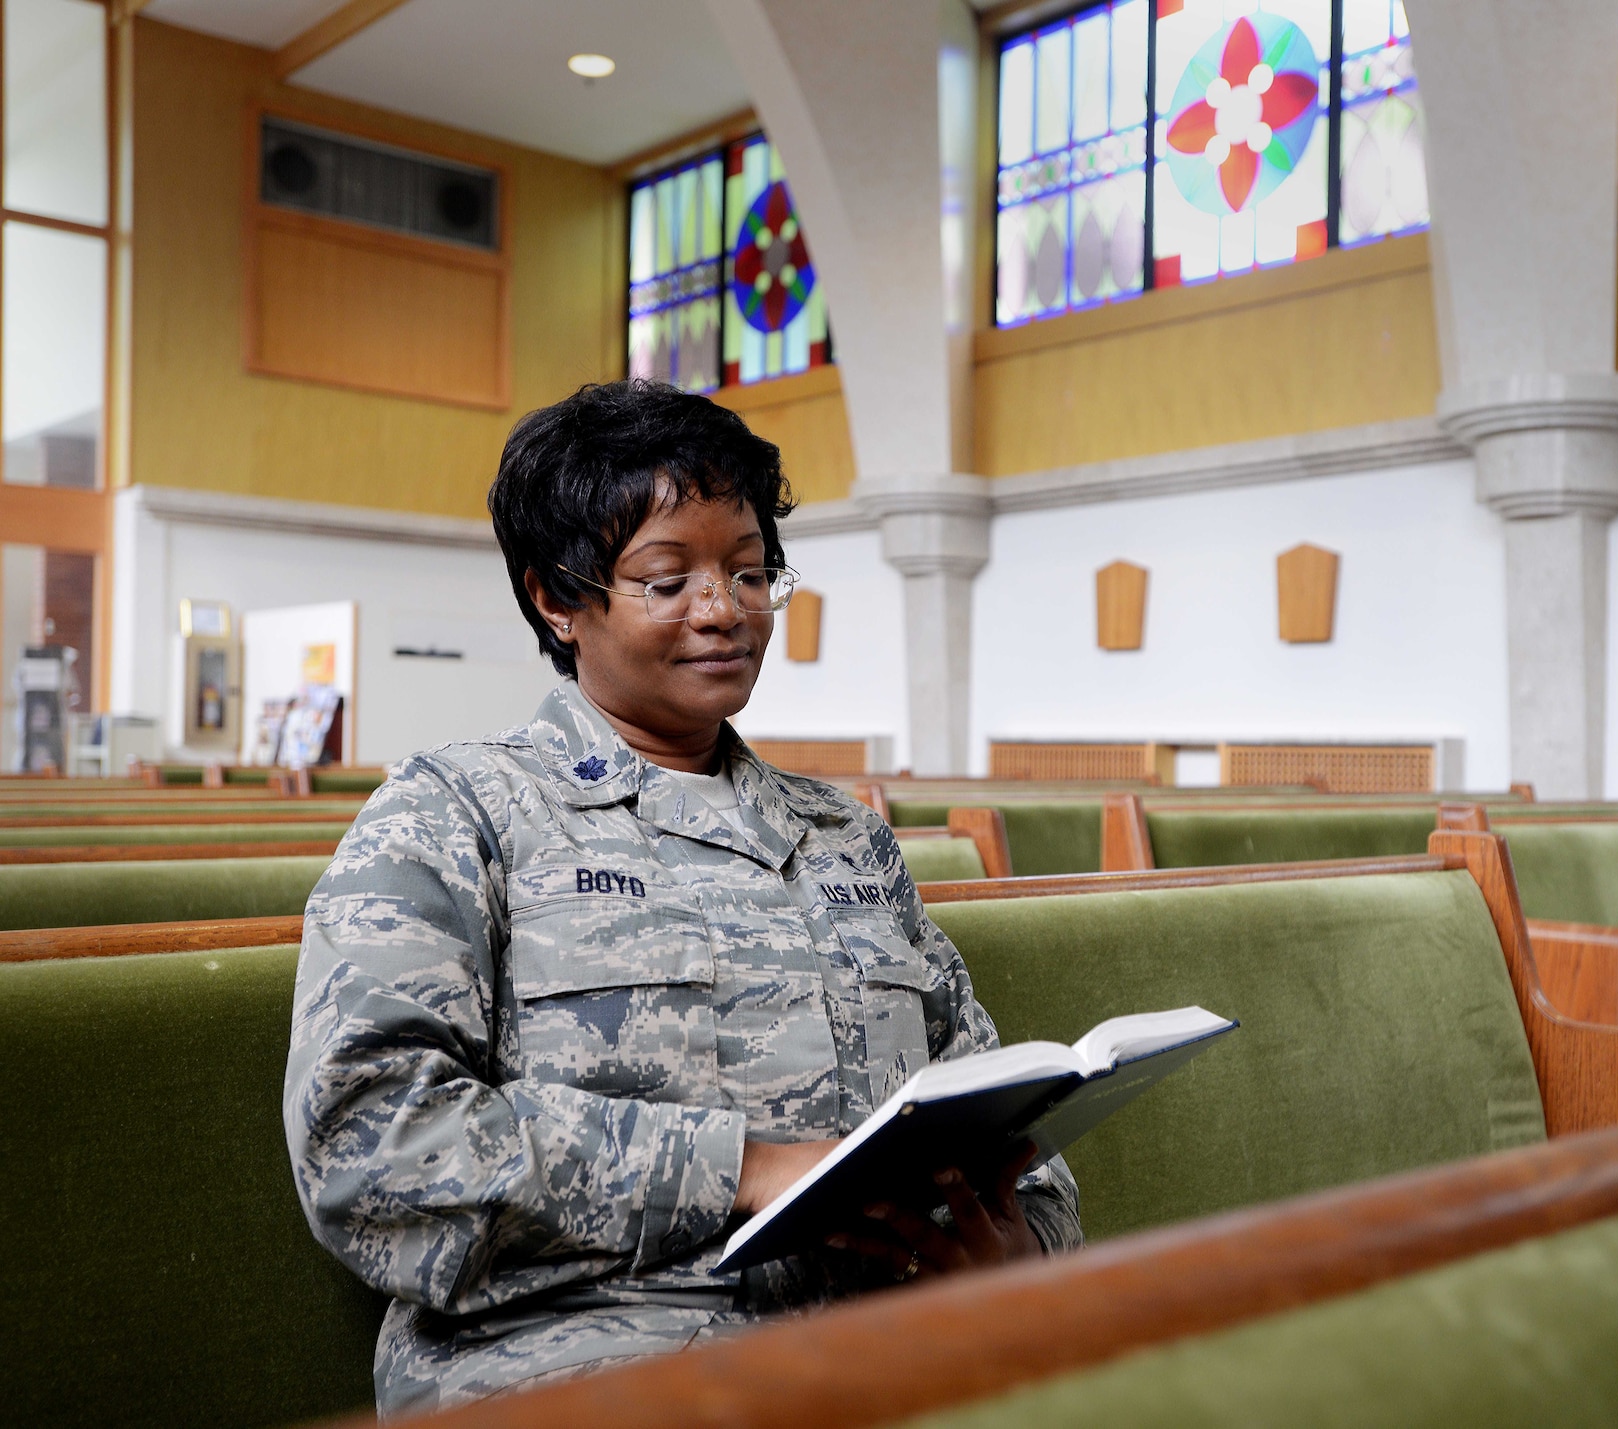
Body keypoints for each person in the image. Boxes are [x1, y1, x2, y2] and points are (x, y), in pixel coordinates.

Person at [283, 380, 1083, 1416]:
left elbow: (1000, 1111)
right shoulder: (455, 815)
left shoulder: (845, 837)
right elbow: (371, 1146)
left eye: (751, 572)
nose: (724, 609)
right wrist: (734, 1168)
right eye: (667, 579)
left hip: (890, 1341)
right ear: (556, 597)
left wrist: (1016, 1247)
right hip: (587, 1363)